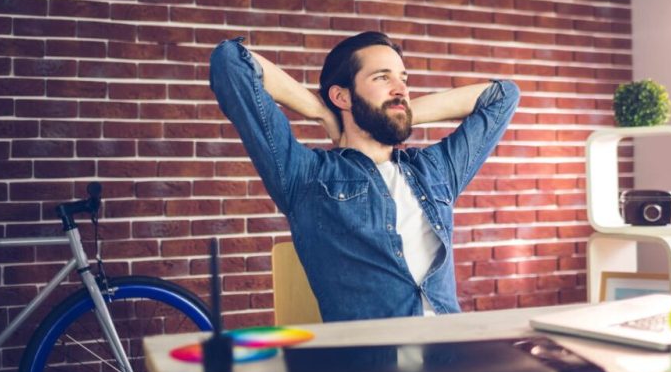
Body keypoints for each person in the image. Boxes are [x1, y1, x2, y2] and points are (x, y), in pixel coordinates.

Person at [209, 32, 519, 322]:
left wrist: (400, 111)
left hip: (453, 356)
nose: (401, 89)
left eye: (403, 79)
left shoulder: (434, 169)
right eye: (382, 77)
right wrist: (322, 113)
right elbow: (231, 61)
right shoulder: (306, 176)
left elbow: (504, 95)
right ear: (342, 97)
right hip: (372, 365)